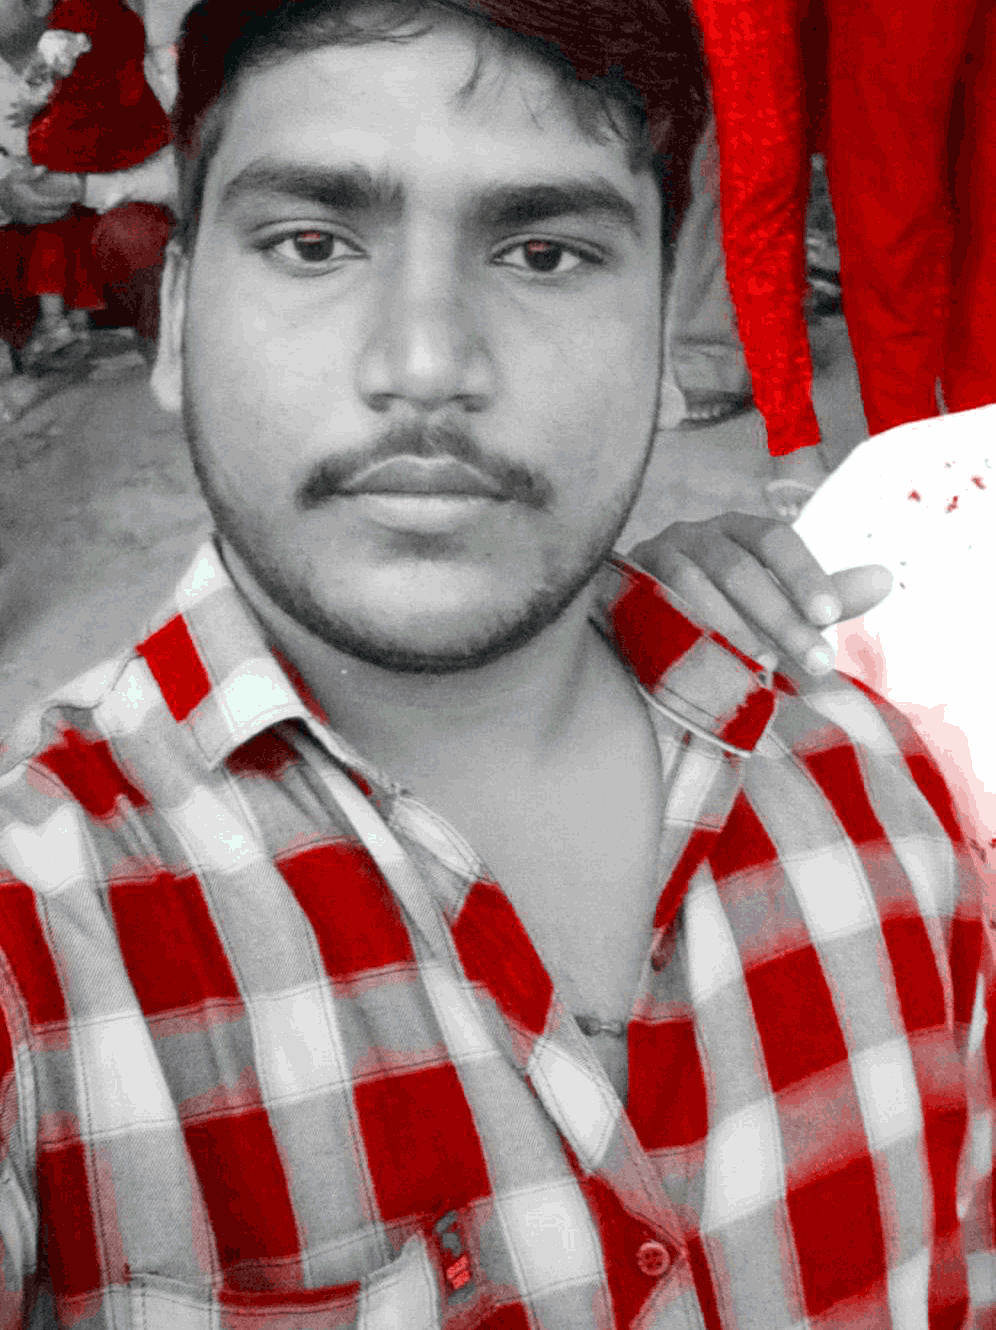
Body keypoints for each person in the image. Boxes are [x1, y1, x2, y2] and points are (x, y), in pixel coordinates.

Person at [0, 2, 992, 1328]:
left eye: (541, 252)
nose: (426, 365)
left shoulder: (883, 799)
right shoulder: (38, 946)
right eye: (313, 243)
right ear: (176, 321)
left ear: (662, 341)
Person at [7, 0, 171, 361]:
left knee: (131, 232)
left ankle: (161, 350)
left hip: (114, 231)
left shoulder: (108, 46)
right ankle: (45, 348)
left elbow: (180, 172)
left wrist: (81, 186)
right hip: (38, 244)